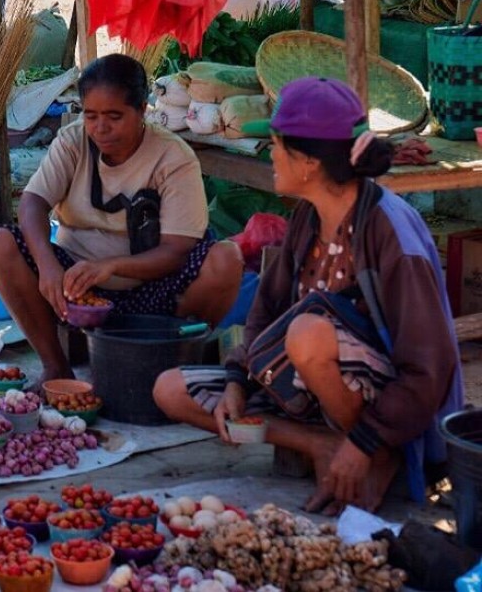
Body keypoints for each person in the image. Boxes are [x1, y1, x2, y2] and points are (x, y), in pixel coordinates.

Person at [154, 77, 463, 514]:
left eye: (277, 144)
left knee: (307, 334)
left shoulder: (390, 229)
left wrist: (367, 439)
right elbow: (265, 313)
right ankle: (321, 444)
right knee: (170, 389)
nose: (271, 154)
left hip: (389, 411)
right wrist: (236, 382)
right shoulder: (307, 217)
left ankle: (372, 455)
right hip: (307, 396)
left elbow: (430, 367)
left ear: (308, 161)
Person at [0, 53, 243, 386]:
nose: (100, 128)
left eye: (114, 116)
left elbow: (176, 250)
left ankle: (164, 359)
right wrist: (48, 265)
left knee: (226, 259)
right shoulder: (73, 141)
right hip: (74, 285)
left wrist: (112, 266)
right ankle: (55, 366)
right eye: (91, 116)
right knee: (4, 243)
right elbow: (33, 204)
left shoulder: (174, 157)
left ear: (142, 110)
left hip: (151, 290)